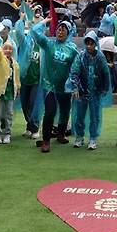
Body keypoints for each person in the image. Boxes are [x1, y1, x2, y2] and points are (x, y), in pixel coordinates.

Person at [31, 19, 79, 153]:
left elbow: (76, 67)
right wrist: (44, 21)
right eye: (59, 29)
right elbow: (34, 31)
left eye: (64, 29)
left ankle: (61, 134)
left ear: (69, 33)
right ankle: (46, 141)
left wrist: (74, 85)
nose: (60, 31)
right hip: (49, 85)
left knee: (65, 111)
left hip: (65, 87)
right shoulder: (49, 44)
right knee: (50, 111)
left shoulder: (73, 49)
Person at [66, 32, 112, 150]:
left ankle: (93, 139)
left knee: (94, 116)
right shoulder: (81, 56)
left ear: (95, 43)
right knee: (79, 116)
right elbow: (74, 71)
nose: (89, 46)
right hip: (81, 92)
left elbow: (106, 73)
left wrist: (105, 88)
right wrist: (75, 87)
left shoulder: (100, 57)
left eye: (91, 43)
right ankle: (79, 137)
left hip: (95, 92)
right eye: (87, 43)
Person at [0, 43, 20, 144]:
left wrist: (18, 88)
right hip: (0, 91)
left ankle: (7, 133)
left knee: (9, 113)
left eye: (10, 49)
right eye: (5, 49)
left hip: (10, 91)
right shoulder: (0, 61)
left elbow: (17, 78)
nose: (8, 51)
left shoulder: (15, 63)